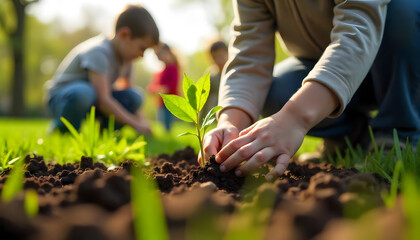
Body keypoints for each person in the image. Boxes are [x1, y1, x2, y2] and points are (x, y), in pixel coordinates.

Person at [200, 0, 420, 180]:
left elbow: (358, 28)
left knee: (403, 11)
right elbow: (250, 54)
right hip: (335, 76)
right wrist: (231, 122)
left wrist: (295, 118)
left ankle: (397, 135)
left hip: (398, 63)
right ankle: (351, 137)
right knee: (277, 92)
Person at [44, 4, 158, 135]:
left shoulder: (127, 59)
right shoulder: (99, 52)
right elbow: (103, 100)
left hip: (92, 100)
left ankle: (106, 132)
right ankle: (62, 129)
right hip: (65, 98)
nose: (142, 55)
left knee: (134, 97)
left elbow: (128, 90)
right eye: (142, 48)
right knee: (84, 93)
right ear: (124, 34)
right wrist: (135, 125)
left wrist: (142, 122)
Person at [147, 43, 180, 131]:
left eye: (160, 55)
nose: (159, 58)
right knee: (162, 123)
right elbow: (156, 84)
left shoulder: (172, 68)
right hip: (161, 102)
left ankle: (168, 139)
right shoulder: (162, 70)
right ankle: (166, 138)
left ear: (168, 52)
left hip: (170, 101)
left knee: (167, 124)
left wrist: (158, 89)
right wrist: (153, 89)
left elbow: (171, 85)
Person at [200, 40, 228, 122]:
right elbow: (204, 99)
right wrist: (200, 119)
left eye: (221, 56)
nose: (218, 60)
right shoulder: (211, 75)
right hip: (214, 112)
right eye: (214, 57)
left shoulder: (234, 71)